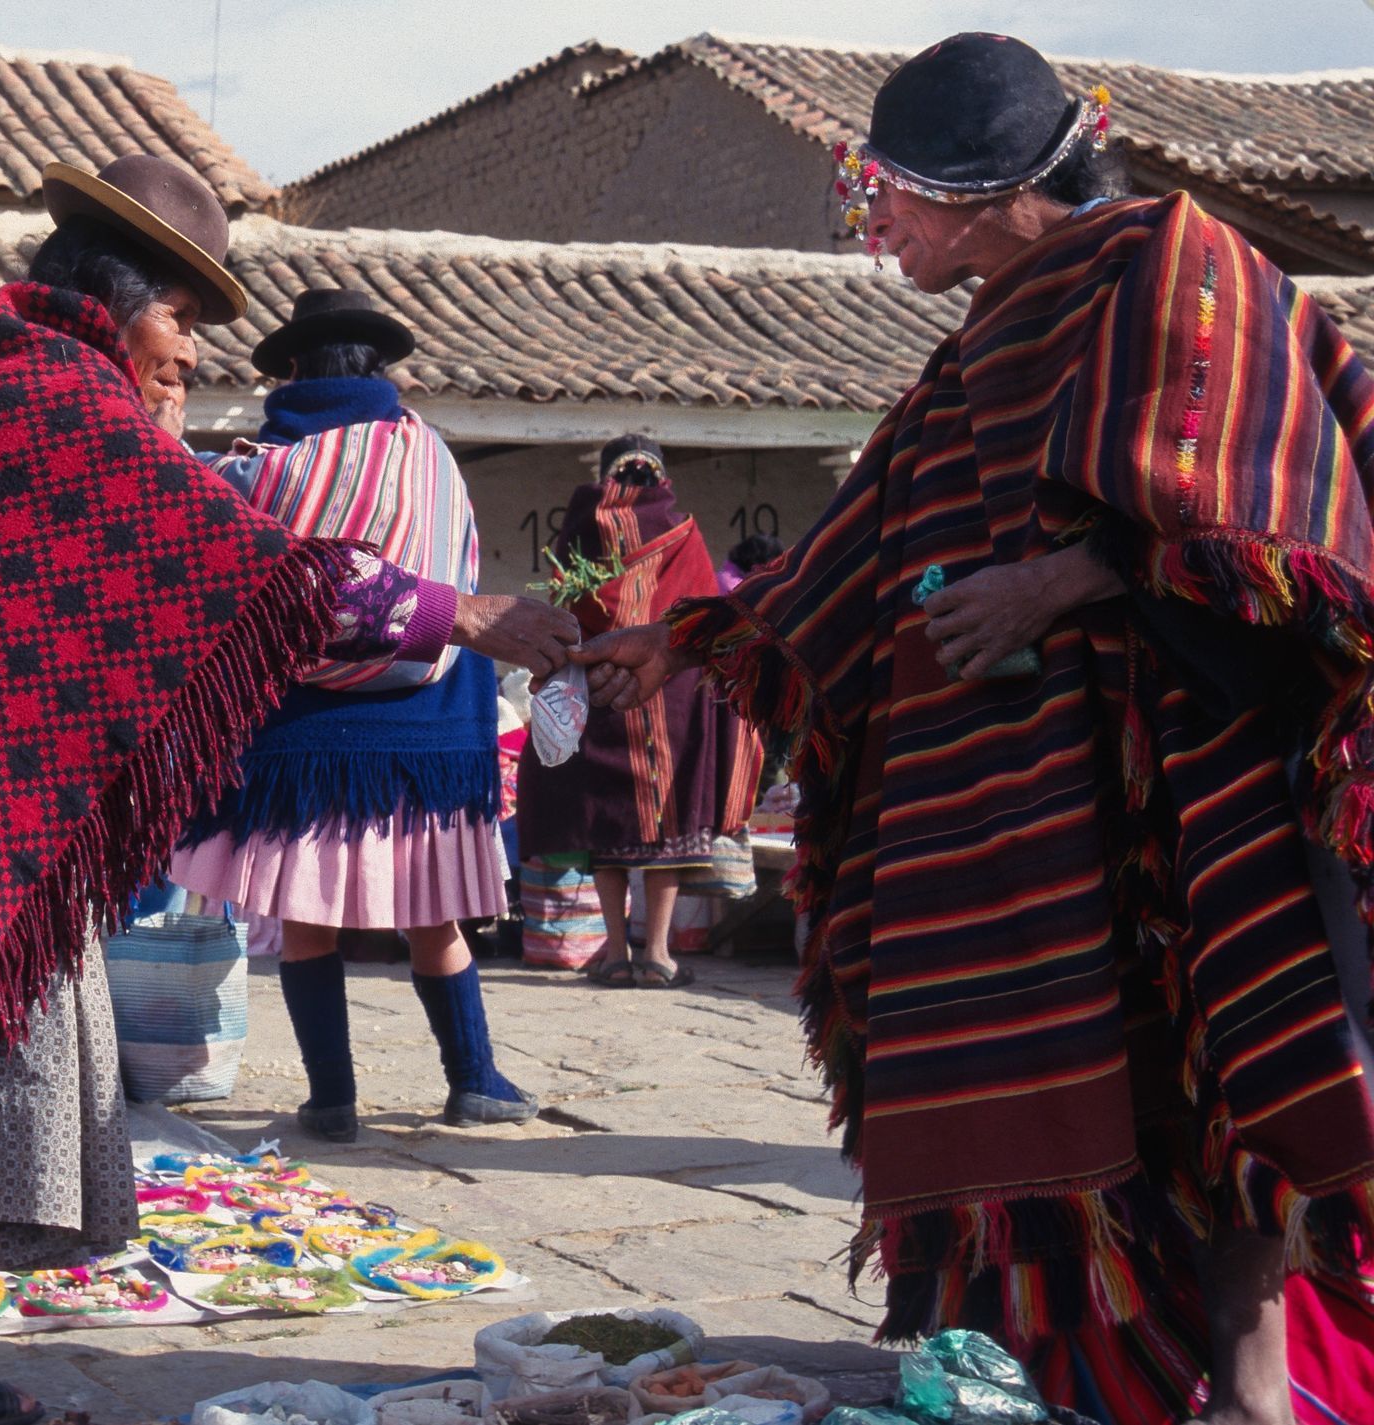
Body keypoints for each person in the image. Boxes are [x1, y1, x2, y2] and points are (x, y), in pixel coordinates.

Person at [0, 154, 577, 1424]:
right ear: (115, 298)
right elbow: (247, 566)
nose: (189, 351)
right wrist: (459, 611)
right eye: (181, 316)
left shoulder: (21, 373)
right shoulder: (50, 392)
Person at [573, 33, 1374, 1425]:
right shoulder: (980, 341)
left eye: (887, 194)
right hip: (1031, 793)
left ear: (987, 190)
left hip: (1187, 771)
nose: (873, 225)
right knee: (1106, 1072)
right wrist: (693, 638)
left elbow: (1259, 495)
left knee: (1220, 1060)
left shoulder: (1182, 265)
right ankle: (1093, 1369)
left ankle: (1251, 1392)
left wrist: (1058, 581)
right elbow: (871, 539)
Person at [171, 288, 536, 1144]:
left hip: (308, 735)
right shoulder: (427, 453)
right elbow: (456, 566)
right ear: (377, 368)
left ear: (295, 370)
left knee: (308, 918)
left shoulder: (263, 471)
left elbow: (235, 565)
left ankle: (332, 1099)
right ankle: (475, 1078)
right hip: (424, 726)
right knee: (435, 915)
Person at [519, 436, 762, 989]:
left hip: (600, 686)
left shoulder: (581, 530)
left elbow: (562, 604)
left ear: (605, 474)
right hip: (668, 695)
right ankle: (657, 955)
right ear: (662, 477)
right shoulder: (682, 533)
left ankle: (614, 954)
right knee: (663, 826)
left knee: (607, 825)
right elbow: (702, 616)